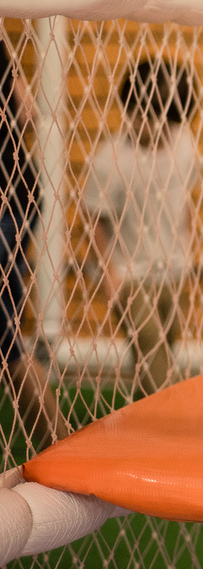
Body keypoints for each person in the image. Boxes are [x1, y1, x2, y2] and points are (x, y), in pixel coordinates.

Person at [83, 57, 198, 399]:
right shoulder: (111, 159)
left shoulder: (184, 145)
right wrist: (109, 275)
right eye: (138, 115)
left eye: (157, 118)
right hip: (131, 275)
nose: (145, 124)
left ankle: (143, 420)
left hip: (173, 269)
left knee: (163, 351)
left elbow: (186, 201)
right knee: (152, 353)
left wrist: (189, 253)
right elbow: (93, 219)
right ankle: (167, 425)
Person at [0, 39, 69, 449]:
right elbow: (27, 110)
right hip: (18, 196)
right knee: (9, 349)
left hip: (11, 201)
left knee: (9, 350)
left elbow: (26, 110)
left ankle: (61, 452)